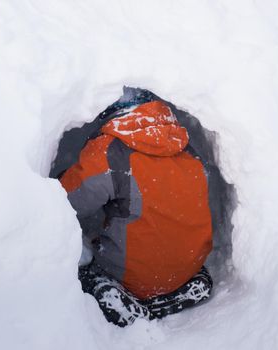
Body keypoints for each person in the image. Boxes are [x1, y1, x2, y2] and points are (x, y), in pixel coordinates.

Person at [59, 99, 214, 326]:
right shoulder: (184, 144)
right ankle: (185, 286)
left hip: (133, 274)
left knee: (83, 269)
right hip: (188, 266)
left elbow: (68, 200)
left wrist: (63, 177)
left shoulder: (110, 149)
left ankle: (112, 290)